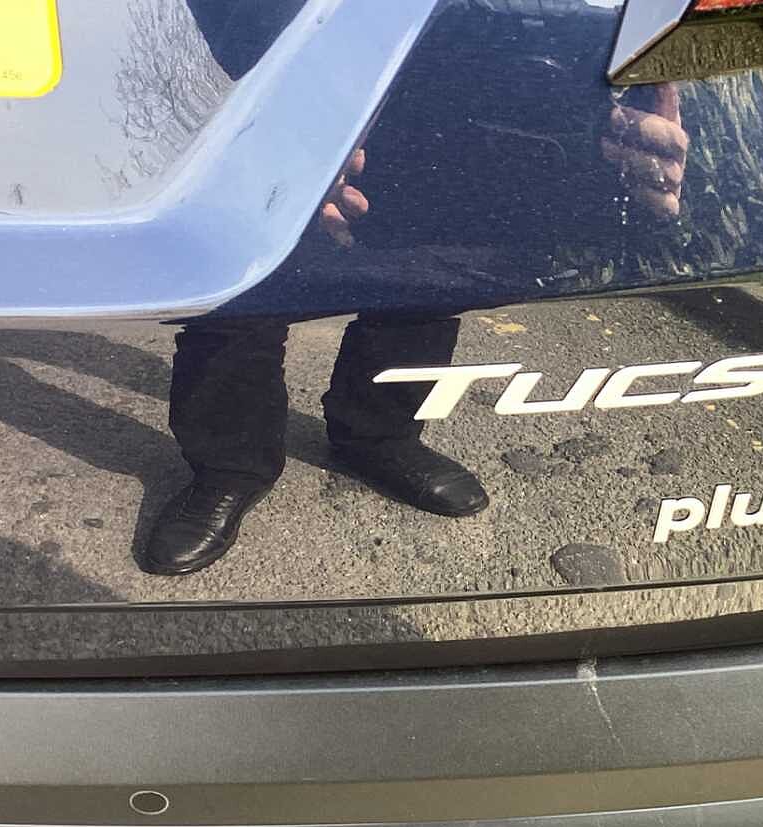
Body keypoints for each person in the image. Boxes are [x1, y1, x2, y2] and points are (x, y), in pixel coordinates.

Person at [145, 0, 688, 575]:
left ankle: (377, 436)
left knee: (427, 278)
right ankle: (229, 467)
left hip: (476, 66)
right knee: (247, 286)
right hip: (296, 47)